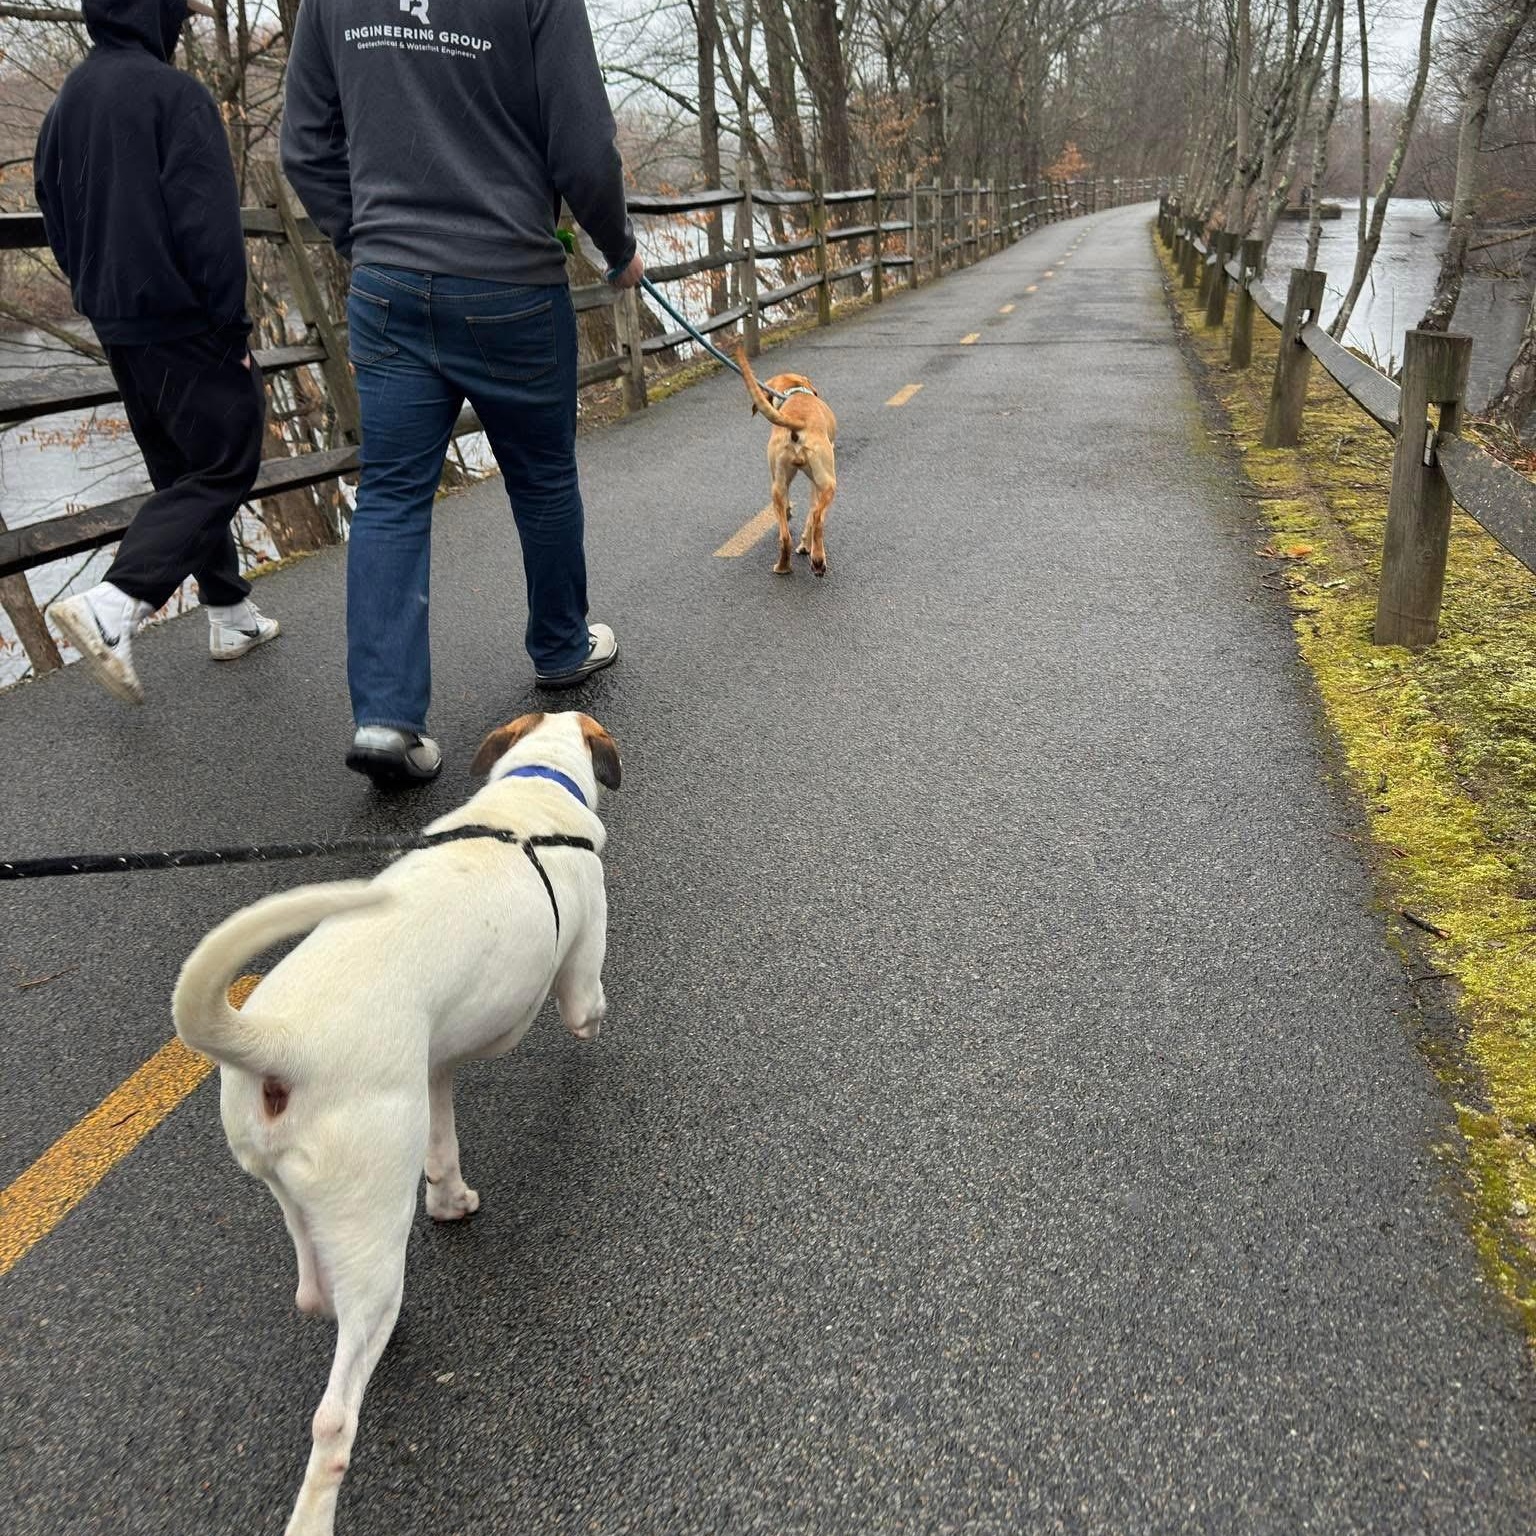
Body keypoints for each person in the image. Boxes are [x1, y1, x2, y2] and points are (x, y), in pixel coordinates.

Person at [282, 0, 641, 788]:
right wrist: (616, 248)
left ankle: (385, 719)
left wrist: (367, 237)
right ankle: (560, 648)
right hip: (510, 280)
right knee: (542, 475)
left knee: (391, 494)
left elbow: (303, 146)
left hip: (387, 285)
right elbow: (583, 144)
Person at [34, 0, 277, 707]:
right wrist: (231, 332)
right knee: (228, 462)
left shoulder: (68, 103)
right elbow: (208, 225)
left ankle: (230, 616)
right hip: (184, 320)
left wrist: (92, 289)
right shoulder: (176, 95)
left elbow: (54, 211)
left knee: (181, 473)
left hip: (119, 324)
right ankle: (115, 605)